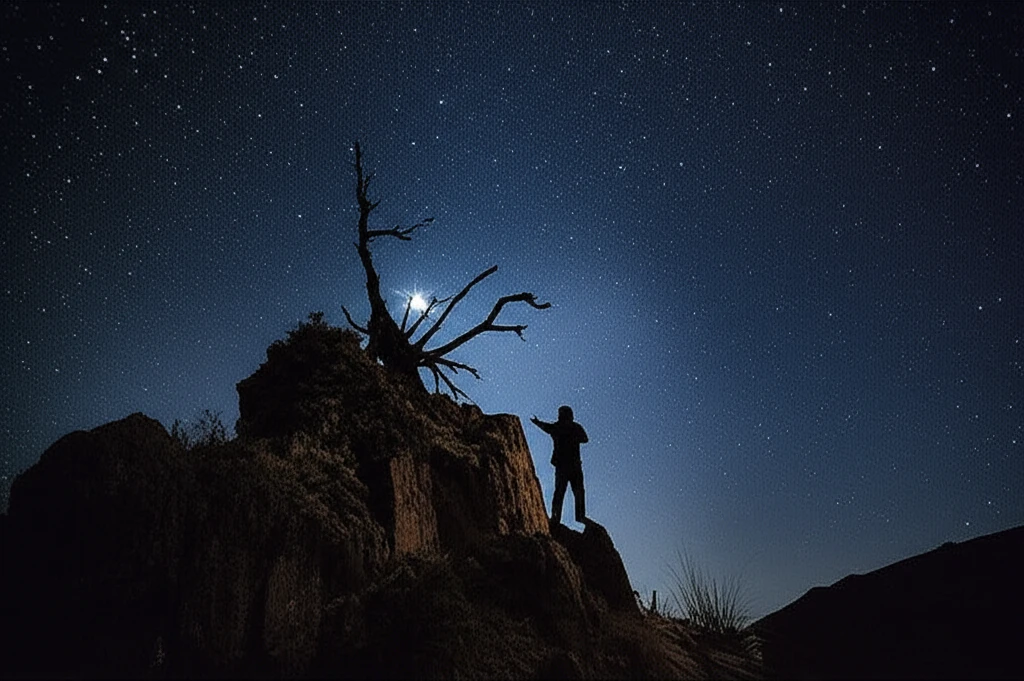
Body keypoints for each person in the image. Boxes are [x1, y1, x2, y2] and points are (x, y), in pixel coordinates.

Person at [530, 405, 589, 525]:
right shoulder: (569, 427)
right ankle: (572, 516)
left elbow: (584, 438)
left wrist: (537, 422)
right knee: (568, 492)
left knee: (567, 492)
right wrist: (538, 423)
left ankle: (565, 516)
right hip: (568, 465)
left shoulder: (563, 427)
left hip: (569, 466)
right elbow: (584, 438)